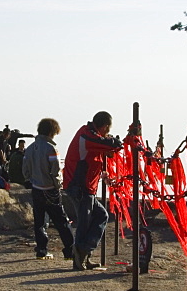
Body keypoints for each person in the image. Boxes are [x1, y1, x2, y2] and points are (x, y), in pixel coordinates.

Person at [63, 111, 122, 271]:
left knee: (100, 216)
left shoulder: (90, 136)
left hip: (86, 187)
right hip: (80, 187)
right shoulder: (87, 135)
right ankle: (80, 255)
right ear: (105, 126)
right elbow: (108, 145)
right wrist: (115, 142)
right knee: (85, 222)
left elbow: (104, 147)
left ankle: (85, 253)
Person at [22, 118, 74, 261]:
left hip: (36, 188)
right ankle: (70, 250)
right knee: (61, 221)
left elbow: (25, 168)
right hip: (50, 189)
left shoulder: (30, 148)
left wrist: (30, 179)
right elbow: (55, 169)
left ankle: (41, 250)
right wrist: (58, 184)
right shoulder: (51, 148)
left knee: (39, 222)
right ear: (52, 132)